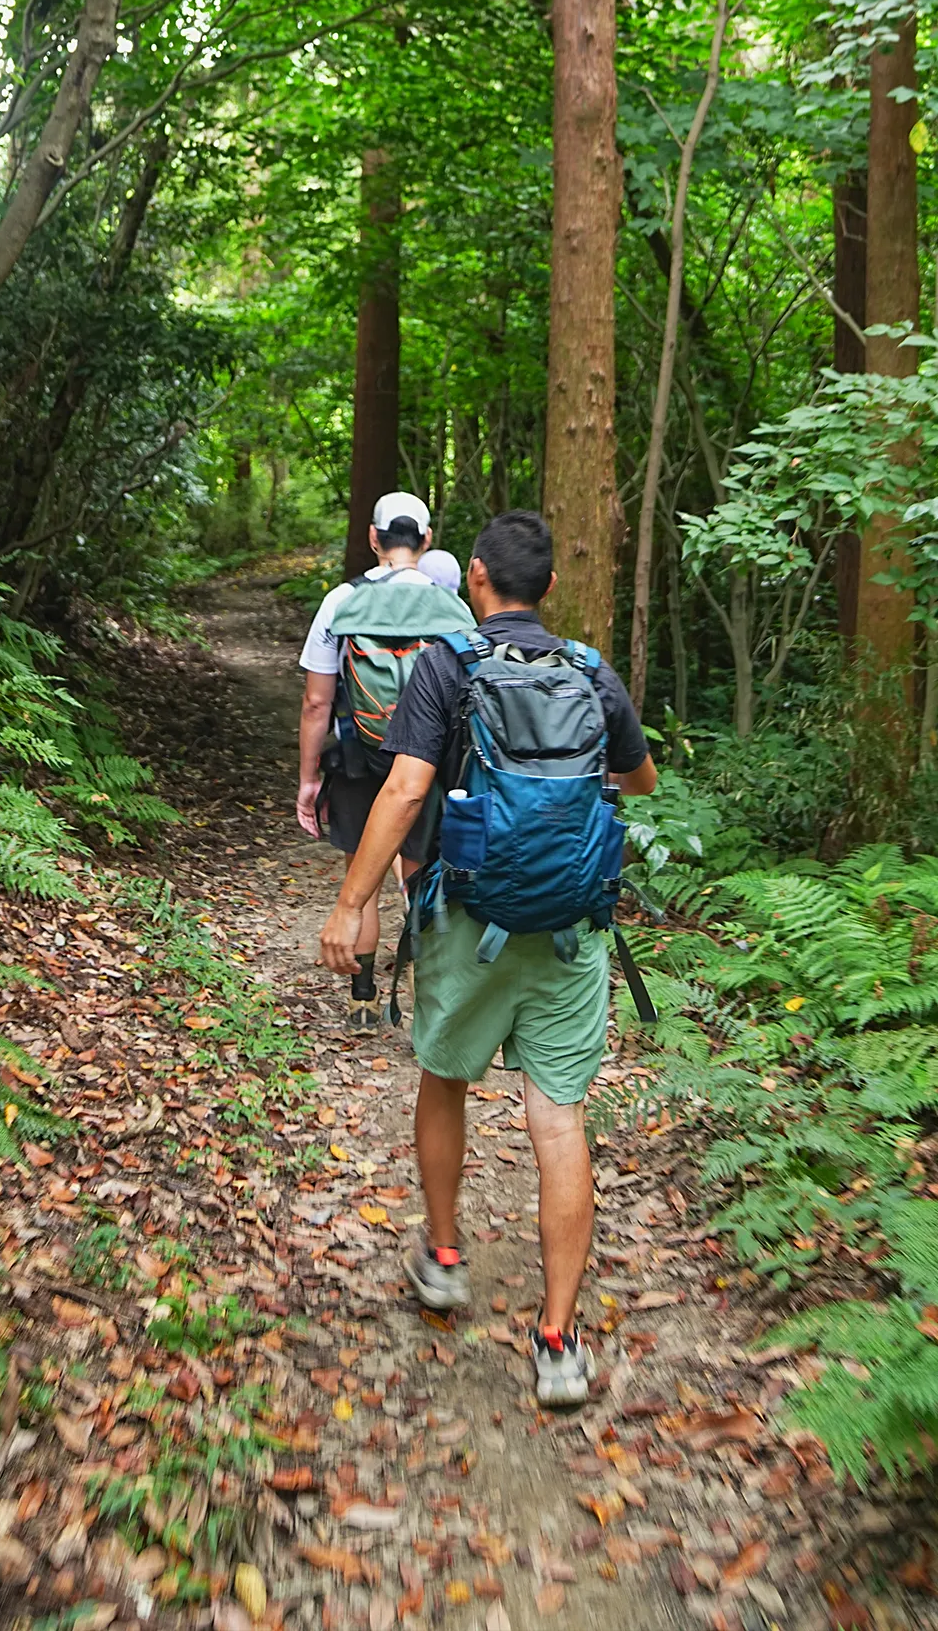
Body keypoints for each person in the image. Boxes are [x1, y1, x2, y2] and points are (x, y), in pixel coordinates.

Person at [318, 509, 657, 1407]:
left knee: (444, 1074)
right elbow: (640, 778)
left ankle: (443, 1252)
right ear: (549, 587)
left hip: (468, 917)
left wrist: (353, 905)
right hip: (571, 929)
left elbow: (405, 787)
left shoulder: (448, 664)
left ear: (472, 578)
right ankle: (557, 1340)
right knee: (558, 1120)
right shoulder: (591, 670)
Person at [297, 491, 447, 1028]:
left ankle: (362, 996)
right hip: (428, 767)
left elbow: (317, 701)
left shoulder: (342, 600)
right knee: (422, 880)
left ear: (373, 538)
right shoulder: (451, 605)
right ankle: (425, 1001)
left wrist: (308, 781)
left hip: (360, 760)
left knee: (362, 871)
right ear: (427, 541)